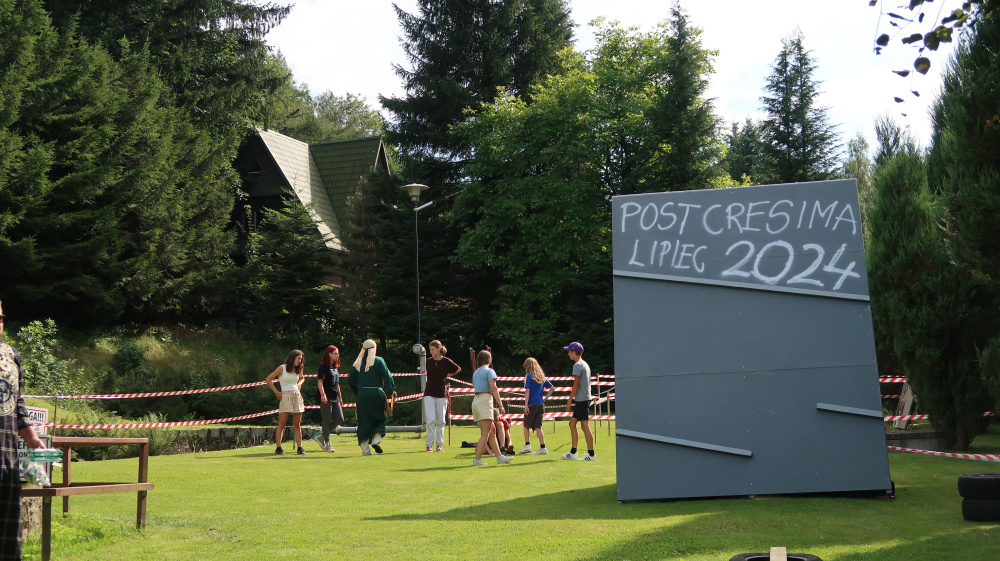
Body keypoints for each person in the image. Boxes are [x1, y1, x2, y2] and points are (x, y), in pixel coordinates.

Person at [0, 299, 44, 561]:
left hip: (7, 462)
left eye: (0, 318)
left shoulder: (11, 354)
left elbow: (16, 402)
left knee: (7, 541)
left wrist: (31, 437)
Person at [348, 339, 395, 456]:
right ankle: (376, 440)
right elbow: (387, 377)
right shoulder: (379, 360)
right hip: (377, 393)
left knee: (364, 420)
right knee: (379, 418)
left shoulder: (357, 362)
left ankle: (365, 450)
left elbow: (351, 380)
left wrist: (358, 392)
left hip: (362, 394)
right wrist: (392, 391)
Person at [471, 350, 512, 466]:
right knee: (485, 433)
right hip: (485, 400)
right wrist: (500, 404)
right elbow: (493, 388)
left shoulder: (476, 372)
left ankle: (499, 457)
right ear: (489, 360)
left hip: (476, 400)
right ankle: (477, 460)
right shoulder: (490, 371)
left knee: (492, 430)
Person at [265, 350, 307, 456]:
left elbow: (302, 378)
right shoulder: (282, 368)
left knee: (297, 424)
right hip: (286, 395)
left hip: (297, 395)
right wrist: (277, 392)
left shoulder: (298, 369)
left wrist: (299, 384)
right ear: (293, 358)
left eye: (301, 359)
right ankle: (278, 447)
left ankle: (300, 447)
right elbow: (268, 379)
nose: (300, 361)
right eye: (298, 359)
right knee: (282, 423)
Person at [423, 340, 461, 452]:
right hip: (429, 392)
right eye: (430, 350)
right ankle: (429, 445)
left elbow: (458, 369)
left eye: (432, 349)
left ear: (439, 349)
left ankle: (439, 445)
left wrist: (448, 375)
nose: (431, 352)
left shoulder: (446, 361)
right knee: (430, 419)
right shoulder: (428, 361)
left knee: (441, 420)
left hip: (441, 393)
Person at [562, 342, 596, 461]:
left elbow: (575, 385)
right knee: (572, 423)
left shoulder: (577, 365)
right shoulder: (584, 364)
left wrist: (569, 401)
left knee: (585, 425)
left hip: (582, 399)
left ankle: (591, 454)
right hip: (584, 398)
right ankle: (573, 452)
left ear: (573, 352)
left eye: (569, 351)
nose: (568, 354)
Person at [520, 357, 554, 455]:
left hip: (532, 404)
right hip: (540, 404)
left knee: (526, 425)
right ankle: (543, 447)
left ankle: (527, 445)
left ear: (528, 366)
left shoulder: (529, 376)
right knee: (538, 426)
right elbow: (552, 388)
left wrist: (526, 405)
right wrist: (545, 398)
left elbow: (527, 391)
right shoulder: (541, 376)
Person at [316, 345, 344, 453]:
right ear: (329, 354)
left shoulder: (335, 367)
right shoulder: (323, 366)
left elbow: (337, 383)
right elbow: (320, 381)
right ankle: (327, 443)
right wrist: (323, 395)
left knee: (340, 419)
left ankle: (321, 436)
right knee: (326, 419)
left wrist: (340, 397)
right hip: (326, 396)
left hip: (335, 397)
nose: (337, 355)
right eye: (335, 353)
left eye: (338, 353)